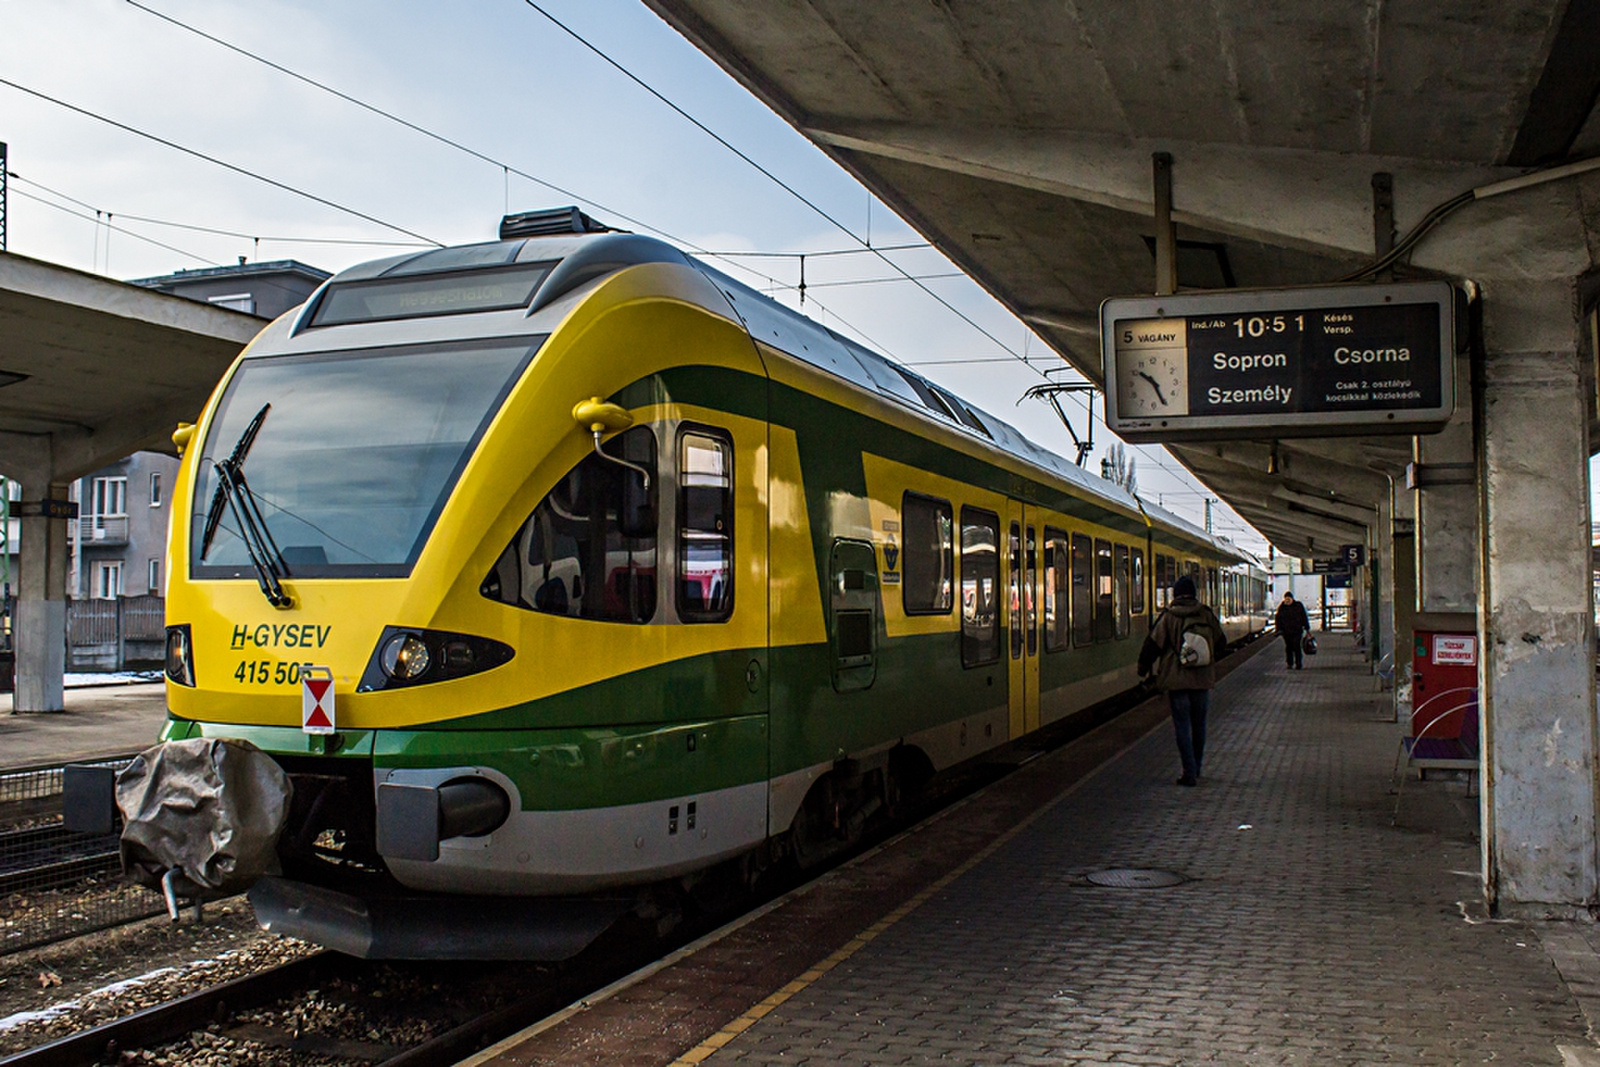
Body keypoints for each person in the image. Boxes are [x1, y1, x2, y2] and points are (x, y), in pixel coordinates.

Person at [1138, 575, 1227, 788]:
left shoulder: (1169, 617)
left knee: (1182, 726)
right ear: (1194, 593)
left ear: (1175, 594)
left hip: (1177, 681)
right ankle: (1197, 767)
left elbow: (1152, 645)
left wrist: (1143, 669)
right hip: (1202, 680)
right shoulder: (1205, 614)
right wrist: (1207, 661)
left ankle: (1188, 772)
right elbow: (1221, 642)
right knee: (1199, 726)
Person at [1275, 591, 1311, 670]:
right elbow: (1278, 619)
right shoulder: (1282, 607)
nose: (1287, 600)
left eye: (1288, 598)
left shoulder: (1298, 606)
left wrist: (1307, 628)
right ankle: (1289, 663)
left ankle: (1298, 663)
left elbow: (1304, 616)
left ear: (1292, 598)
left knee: (1297, 647)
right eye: (1286, 599)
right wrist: (1278, 630)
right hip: (1286, 632)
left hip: (1297, 631)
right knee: (1289, 648)